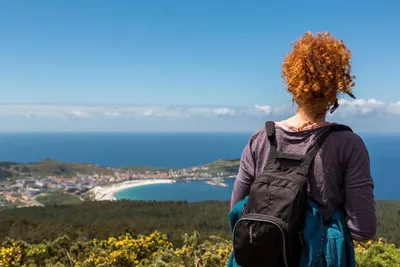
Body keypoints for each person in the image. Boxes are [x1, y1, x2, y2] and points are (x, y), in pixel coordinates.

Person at [230, 32, 377, 244]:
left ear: (292, 83)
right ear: (337, 87)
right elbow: (363, 230)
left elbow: (237, 212)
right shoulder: (348, 145)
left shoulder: (260, 139)